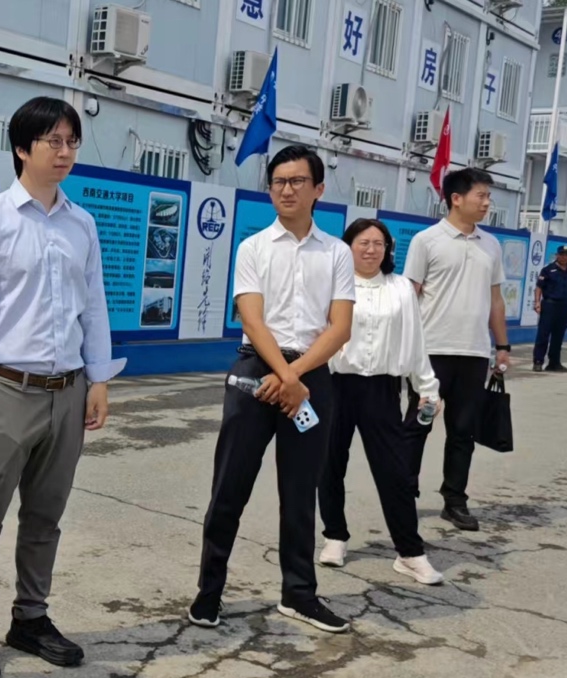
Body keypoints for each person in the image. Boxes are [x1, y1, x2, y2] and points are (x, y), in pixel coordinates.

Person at [0, 96, 125, 678]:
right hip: (7, 391)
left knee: (46, 516)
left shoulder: (82, 223)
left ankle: (31, 617)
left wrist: (98, 379)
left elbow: (94, 305)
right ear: (22, 148)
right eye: (53, 141)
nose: (65, 151)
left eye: (72, 141)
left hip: (68, 391)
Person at [188, 144, 355, 635]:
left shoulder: (337, 252)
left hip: (310, 375)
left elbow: (340, 327)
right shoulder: (254, 248)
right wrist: (286, 375)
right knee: (230, 486)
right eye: (279, 181)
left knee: (301, 492)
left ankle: (299, 594)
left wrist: (295, 377)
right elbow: (252, 320)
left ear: (318, 189)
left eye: (297, 181)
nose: (287, 189)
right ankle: (208, 593)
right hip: (256, 369)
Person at [316, 219, 444, 586]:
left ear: (388, 249)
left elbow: (415, 340)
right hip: (336, 385)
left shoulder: (400, 287)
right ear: (348, 246)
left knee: (396, 472)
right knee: (329, 464)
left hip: (383, 389)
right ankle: (335, 536)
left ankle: (410, 552)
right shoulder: (333, 285)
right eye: (363, 242)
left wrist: (427, 388)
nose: (371, 249)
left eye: (378, 243)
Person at [402, 168, 512, 533]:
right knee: (418, 425)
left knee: (463, 431)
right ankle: (403, 494)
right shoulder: (427, 241)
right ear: (456, 198)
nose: (487, 203)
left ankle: (455, 500)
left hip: (474, 353)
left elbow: (496, 300)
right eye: (481, 195)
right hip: (430, 351)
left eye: (488, 196)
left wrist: (502, 346)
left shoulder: (491, 245)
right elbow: (410, 295)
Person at [532, 244, 567, 373]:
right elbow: (539, 287)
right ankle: (538, 362)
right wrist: (537, 303)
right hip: (549, 305)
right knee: (543, 334)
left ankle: (554, 363)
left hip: (564, 306)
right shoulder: (548, 270)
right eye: (562, 254)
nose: (564, 257)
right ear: (557, 255)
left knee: (558, 336)